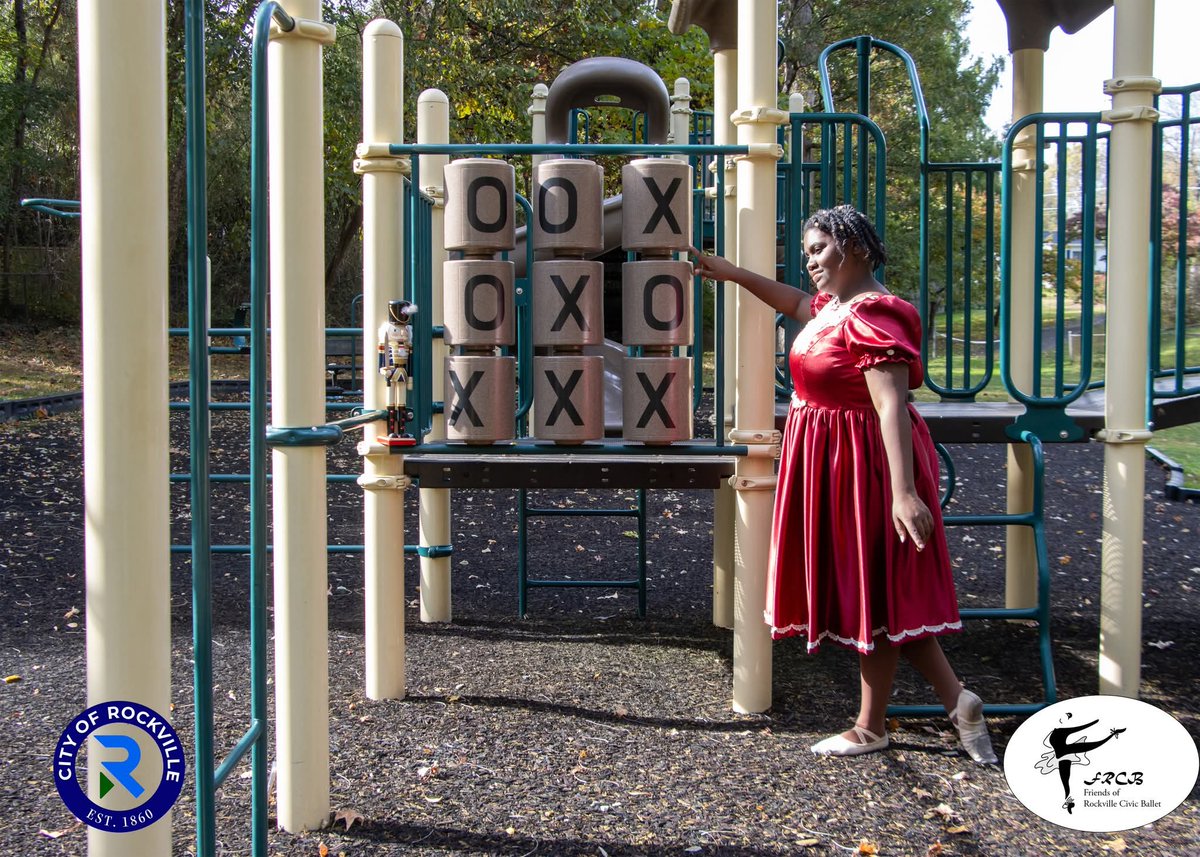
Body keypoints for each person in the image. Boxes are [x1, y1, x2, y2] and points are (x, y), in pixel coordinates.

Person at [690, 205, 997, 762]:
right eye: (807, 252)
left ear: (854, 247)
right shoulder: (838, 308)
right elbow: (795, 303)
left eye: (818, 250)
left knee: (872, 589)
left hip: (867, 466)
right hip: (833, 459)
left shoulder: (877, 315)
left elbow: (890, 405)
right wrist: (732, 272)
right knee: (875, 590)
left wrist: (903, 492)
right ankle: (957, 703)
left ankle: (871, 725)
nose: (810, 262)